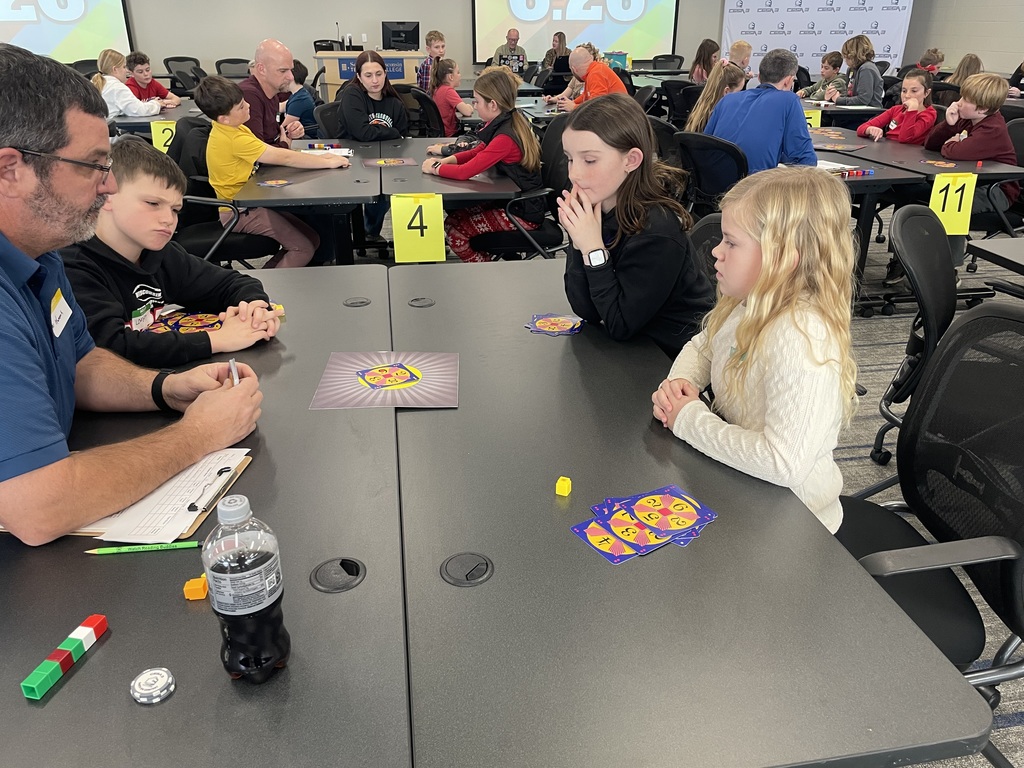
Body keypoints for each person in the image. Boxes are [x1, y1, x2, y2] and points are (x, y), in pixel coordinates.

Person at [0, 43, 262, 546]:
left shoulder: (42, 253)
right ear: (12, 169)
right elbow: (38, 506)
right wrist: (199, 435)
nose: (105, 188)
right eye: (93, 166)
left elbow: (81, 365)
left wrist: (166, 388)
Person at [652, 166, 858, 534]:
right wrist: (683, 383)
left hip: (794, 521)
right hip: (743, 486)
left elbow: (784, 463)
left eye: (731, 242)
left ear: (782, 258)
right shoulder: (751, 303)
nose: (716, 251)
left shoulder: (800, 336)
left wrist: (687, 419)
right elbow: (704, 345)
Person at [62, 137, 282, 367]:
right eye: (153, 203)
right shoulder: (73, 265)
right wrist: (216, 340)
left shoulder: (159, 254)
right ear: (106, 194)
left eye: (175, 209)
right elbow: (109, 349)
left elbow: (229, 283)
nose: (169, 220)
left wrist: (254, 308)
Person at [558, 93, 715, 358]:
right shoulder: (596, 211)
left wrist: (593, 250)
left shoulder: (657, 230)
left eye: (590, 160)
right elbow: (586, 309)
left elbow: (619, 324)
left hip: (669, 360)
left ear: (630, 160)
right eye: (570, 159)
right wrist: (580, 241)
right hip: (632, 348)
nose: (574, 174)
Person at [195, 75, 350, 268]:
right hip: (239, 212)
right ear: (224, 118)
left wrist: (289, 142)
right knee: (303, 248)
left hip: (250, 203)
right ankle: (263, 292)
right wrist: (325, 161)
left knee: (312, 239)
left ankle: (273, 276)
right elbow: (283, 157)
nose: (248, 106)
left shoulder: (234, 129)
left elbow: (273, 152)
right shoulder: (234, 139)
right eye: (241, 107)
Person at [421, 69, 544, 263]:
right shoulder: (506, 122)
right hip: (515, 203)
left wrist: (435, 167)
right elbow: (475, 152)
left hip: (522, 212)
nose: (474, 106)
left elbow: (465, 172)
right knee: (451, 221)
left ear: (493, 104)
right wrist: (446, 161)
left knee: (457, 235)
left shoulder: (505, 137)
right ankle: (500, 265)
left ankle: (486, 272)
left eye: (477, 101)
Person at [924, 72, 1019, 268]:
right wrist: (949, 127)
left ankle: (948, 268)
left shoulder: (992, 129)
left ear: (983, 108)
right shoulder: (968, 119)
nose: (958, 103)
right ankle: (906, 260)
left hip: (997, 190)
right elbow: (931, 144)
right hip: (974, 182)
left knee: (951, 203)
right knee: (921, 195)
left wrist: (951, 143)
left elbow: (955, 152)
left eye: (965, 99)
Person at [337, 51, 410, 246]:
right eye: (368, 75)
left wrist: (391, 134)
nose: (375, 80)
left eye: (379, 74)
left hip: (384, 159)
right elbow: (363, 133)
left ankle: (370, 232)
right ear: (359, 77)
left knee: (387, 188)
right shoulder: (352, 95)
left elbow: (402, 137)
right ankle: (354, 231)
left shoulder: (394, 103)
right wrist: (391, 132)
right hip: (352, 159)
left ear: (386, 74)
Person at [705, 49, 816, 174]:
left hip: (712, 184)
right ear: (788, 81)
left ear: (759, 77)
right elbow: (806, 161)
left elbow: (705, 145)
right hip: (753, 188)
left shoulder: (728, 99)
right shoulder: (789, 100)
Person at [239, 39, 305, 148]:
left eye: (291, 70)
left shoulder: (273, 91)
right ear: (261, 69)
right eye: (283, 71)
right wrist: (284, 144)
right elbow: (258, 153)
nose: (291, 77)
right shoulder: (249, 96)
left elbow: (271, 137)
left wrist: (288, 132)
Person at [856, 69, 936, 144]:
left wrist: (911, 111)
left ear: (926, 93)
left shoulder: (928, 115)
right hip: (888, 150)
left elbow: (905, 138)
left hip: (908, 155)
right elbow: (861, 128)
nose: (907, 95)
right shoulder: (896, 110)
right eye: (904, 91)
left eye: (914, 91)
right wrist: (869, 129)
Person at [91, 49, 169, 118]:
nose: (127, 71)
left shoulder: (93, 83)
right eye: (124, 67)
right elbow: (139, 110)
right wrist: (157, 104)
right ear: (115, 69)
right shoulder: (117, 87)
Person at [548, 45, 627, 112]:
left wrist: (573, 107)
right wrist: (569, 103)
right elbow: (586, 97)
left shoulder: (596, 74)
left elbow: (596, 107)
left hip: (618, 119)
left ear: (574, 69)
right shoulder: (593, 71)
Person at [684, 60, 745, 133]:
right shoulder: (724, 118)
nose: (742, 95)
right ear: (726, 91)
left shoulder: (700, 111)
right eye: (740, 91)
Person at [825, 35, 883, 107]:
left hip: (868, 113)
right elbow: (848, 94)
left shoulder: (867, 69)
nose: (845, 60)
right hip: (854, 110)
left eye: (846, 56)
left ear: (853, 55)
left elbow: (863, 100)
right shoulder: (851, 69)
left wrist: (838, 99)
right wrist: (832, 95)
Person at [429, 58, 473, 137]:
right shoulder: (448, 91)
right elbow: (467, 112)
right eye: (458, 72)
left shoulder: (438, 89)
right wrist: (469, 107)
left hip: (442, 132)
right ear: (451, 77)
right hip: (450, 134)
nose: (460, 75)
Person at [285, 59, 319, 138]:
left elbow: (284, 128)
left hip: (305, 138)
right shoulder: (299, 93)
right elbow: (280, 106)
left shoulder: (299, 101)